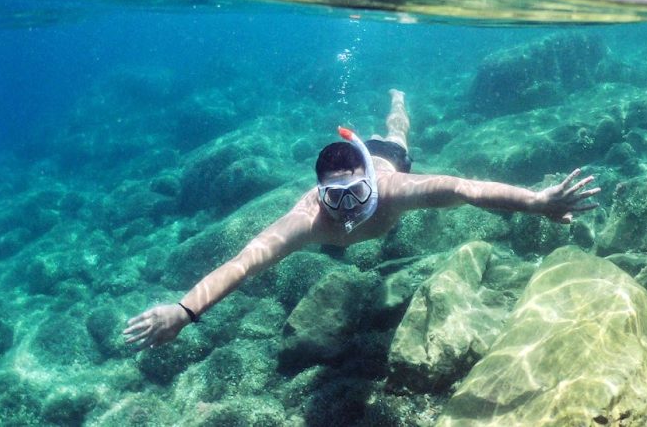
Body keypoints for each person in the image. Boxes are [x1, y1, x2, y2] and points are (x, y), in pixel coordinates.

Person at [123, 90, 600, 349]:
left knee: (397, 134)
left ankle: (397, 103)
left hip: (385, 156)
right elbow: (244, 263)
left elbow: (465, 189)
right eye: (336, 196)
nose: (348, 208)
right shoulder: (308, 218)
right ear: (319, 192)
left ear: (370, 183)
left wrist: (537, 201)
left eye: (356, 193)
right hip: (361, 163)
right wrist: (184, 311)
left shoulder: (392, 190)